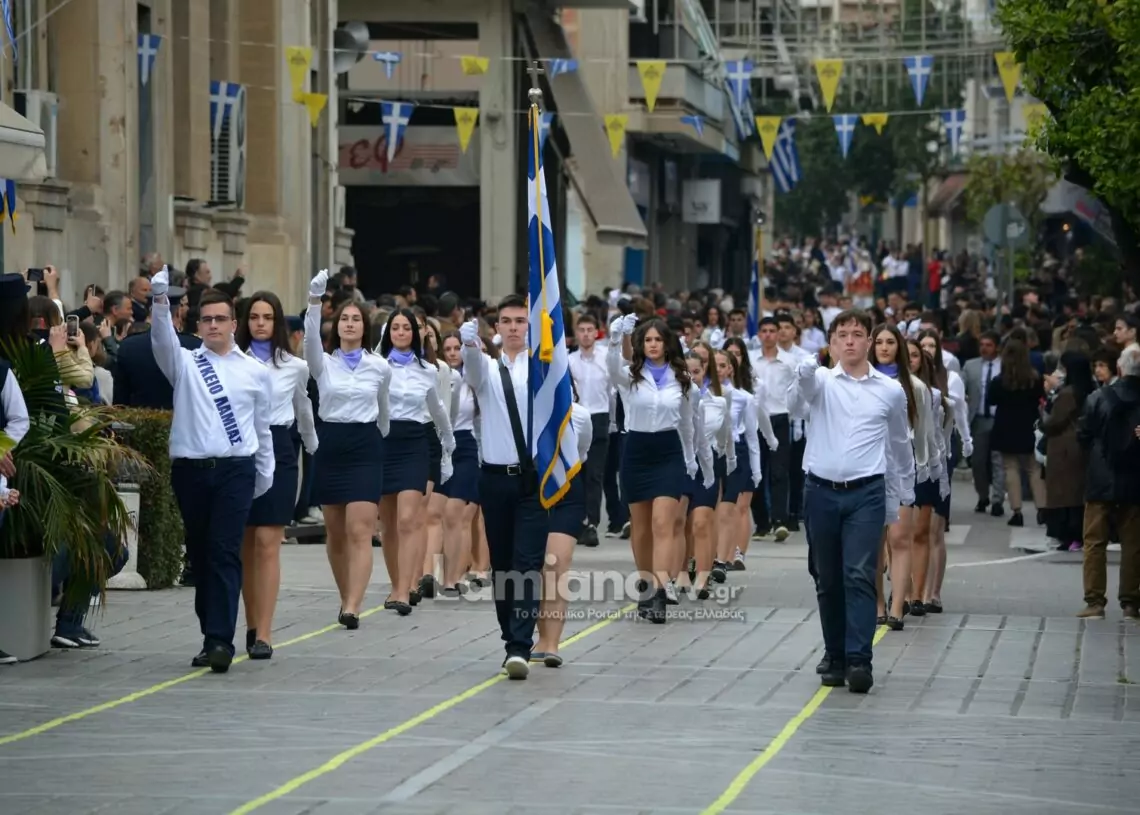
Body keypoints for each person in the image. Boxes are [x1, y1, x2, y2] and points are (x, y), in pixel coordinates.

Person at [149, 268, 275, 674]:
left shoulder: (255, 371)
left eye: (221, 319)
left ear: (234, 324)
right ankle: (211, 636)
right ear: (198, 325)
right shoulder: (185, 363)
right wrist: (159, 301)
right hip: (191, 471)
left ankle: (221, 641)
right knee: (201, 556)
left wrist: (265, 473)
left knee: (223, 551)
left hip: (236, 470)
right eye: (207, 319)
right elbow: (161, 341)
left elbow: (262, 428)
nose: (214, 325)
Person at [790, 309, 915, 694]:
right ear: (831, 343)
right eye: (842, 334)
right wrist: (804, 372)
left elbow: (899, 443)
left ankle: (860, 659)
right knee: (827, 577)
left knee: (859, 574)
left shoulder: (889, 390)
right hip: (821, 490)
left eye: (857, 334)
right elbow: (796, 404)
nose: (849, 341)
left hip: (866, 492)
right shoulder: (821, 381)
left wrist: (904, 490)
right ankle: (836, 654)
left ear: (869, 342)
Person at [459, 296, 550, 679]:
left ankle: (519, 645)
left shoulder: (542, 368)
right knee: (501, 564)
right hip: (494, 478)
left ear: (529, 326)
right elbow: (472, 369)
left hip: (532, 479)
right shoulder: (488, 369)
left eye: (520, 321)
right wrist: (468, 342)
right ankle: (510, 634)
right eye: (507, 321)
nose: (513, 327)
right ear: (496, 327)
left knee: (527, 563)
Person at [304, 269, 391, 630]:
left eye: (356, 319)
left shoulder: (379, 366)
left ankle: (354, 605)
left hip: (365, 445)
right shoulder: (324, 363)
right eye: (344, 319)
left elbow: (384, 412)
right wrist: (314, 302)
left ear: (364, 327)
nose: (350, 324)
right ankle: (345, 596)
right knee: (336, 533)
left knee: (360, 530)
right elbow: (310, 341)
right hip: (331, 444)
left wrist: (376, 439)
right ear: (336, 326)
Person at [235, 292, 318, 659]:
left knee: (268, 542)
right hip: (241, 451)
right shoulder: (233, 361)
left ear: (278, 322)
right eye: (254, 317)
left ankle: (265, 633)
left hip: (279, 450)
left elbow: (303, 406)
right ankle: (252, 624)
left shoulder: (294, 366)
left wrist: (312, 444)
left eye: (267, 317)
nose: (260, 323)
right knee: (245, 544)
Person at [607, 314, 699, 623]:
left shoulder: (682, 379)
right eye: (647, 340)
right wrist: (616, 338)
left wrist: (690, 457)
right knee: (642, 526)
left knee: (663, 522)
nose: (653, 345)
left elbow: (687, 424)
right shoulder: (631, 375)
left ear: (667, 343)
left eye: (658, 339)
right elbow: (611, 369)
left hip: (668, 452)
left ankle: (660, 590)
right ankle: (645, 585)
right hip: (637, 450)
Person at [374, 308, 454, 616]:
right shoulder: (377, 365)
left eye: (406, 327)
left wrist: (448, 446)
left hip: (414, 443)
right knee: (388, 524)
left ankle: (405, 588)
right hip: (384, 441)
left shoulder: (428, 370)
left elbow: (438, 410)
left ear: (415, 333)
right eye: (395, 327)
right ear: (388, 333)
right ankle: (397, 583)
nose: (401, 332)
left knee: (408, 519)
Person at [1075, 343, 1140, 620]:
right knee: (1133, 543)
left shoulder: (1097, 397)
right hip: (1135, 478)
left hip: (1101, 478)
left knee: (1094, 541)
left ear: (1120, 369)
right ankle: (1131, 602)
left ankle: (1094, 601)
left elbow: (1083, 435)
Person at [567, 314, 611, 547]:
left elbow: (612, 391)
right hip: (576, 417)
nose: (585, 334)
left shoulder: (605, 358)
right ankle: (576, 521)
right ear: (576, 333)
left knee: (595, 473)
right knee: (575, 472)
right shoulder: (569, 360)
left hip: (599, 416)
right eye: (581, 330)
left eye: (589, 330)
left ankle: (592, 522)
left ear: (596, 332)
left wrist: (613, 422)